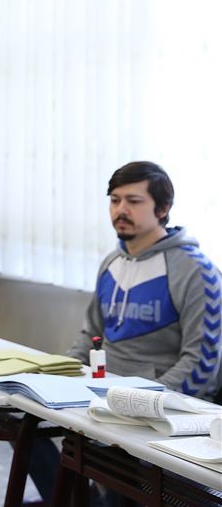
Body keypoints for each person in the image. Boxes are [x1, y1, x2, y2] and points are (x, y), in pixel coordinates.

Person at [28, 161, 222, 503]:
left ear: (162, 208)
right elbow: (91, 335)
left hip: (152, 411)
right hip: (102, 396)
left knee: (115, 480)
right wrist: (54, 377)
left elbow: (202, 364)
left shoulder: (196, 271)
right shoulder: (111, 263)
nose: (121, 210)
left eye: (134, 201)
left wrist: (145, 406)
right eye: (115, 200)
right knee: (25, 425)